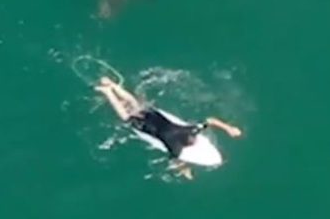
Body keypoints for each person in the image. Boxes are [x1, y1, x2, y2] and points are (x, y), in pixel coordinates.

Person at [95, 76, 242, 179]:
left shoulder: (189, 131)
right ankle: (108, 92)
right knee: (125, 116)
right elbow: (174, 160)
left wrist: (229, 129)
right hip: (147, 129)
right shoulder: (176, 150)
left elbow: (210, 120)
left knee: (135, 105)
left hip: (157, 117)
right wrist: (184, 169)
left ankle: (113, 85)